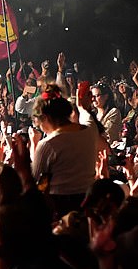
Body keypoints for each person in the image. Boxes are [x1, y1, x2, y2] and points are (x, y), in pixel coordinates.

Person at [30, 84, 98, 218]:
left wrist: (34, 145)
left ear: (46, 118)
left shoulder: (48, 144)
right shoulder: (90, 131)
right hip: (89, 204)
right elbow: (86, 116)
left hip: (61, 210)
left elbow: (40, 184)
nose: (41, 128)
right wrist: (81, 106)